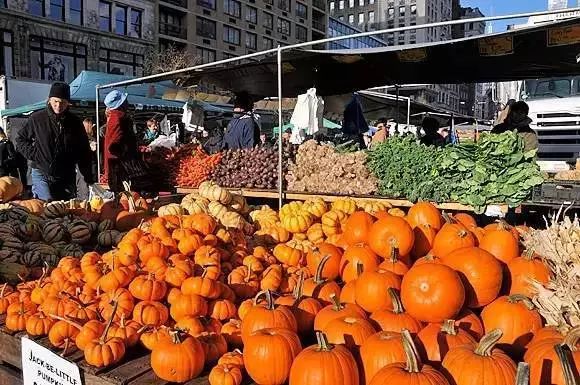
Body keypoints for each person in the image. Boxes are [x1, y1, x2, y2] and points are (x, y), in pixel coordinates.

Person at [15, 82, 94, 201]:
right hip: (41, 171)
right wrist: (35, 154)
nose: (58, 105)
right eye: (55, 101)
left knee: (63, 210)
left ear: (68, 103)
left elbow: (83, 150)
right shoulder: (37, 119)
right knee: (47, 204)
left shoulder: (75, 122)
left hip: (65, 175)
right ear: (49, 100)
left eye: (63, 102)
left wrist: (88, 176)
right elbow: (20, 140)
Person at [103, 90, 141, 193]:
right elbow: (114, 146)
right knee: (123, 196)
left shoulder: (114, 117)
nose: (127, 102)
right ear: (121, 104)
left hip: (116, 164)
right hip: (119, 166)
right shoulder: (118, 118)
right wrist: (127, 152)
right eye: (125, 100)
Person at [76, 117, 98, 199]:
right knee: (87, 184)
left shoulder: (92, 138)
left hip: (86, 164)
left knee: (84, 184)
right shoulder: (91, 138)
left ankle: (84, 199)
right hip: (88, 163)